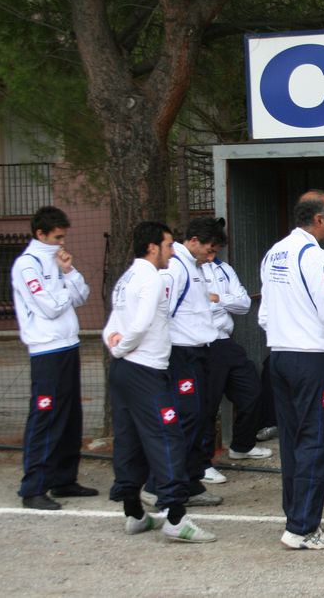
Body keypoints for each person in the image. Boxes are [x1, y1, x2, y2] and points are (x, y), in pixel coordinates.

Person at [104, 221, 216, 542]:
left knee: (129, 439)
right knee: (167, 437)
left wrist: (117, 348)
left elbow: (112, 324)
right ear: (152, 247)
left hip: (124, 370)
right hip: (146, 372)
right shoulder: (151, 278)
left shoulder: (127, 277)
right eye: (168, 246)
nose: (172, 252)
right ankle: (175, 518)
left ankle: (134, 513)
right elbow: (139, 326)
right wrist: (124, 347)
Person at [259, 191, 324, 550]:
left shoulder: (274, 252)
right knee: (317, 440)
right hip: (313, 361)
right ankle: (303, 528)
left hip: (280, 356)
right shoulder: (317, 257)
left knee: (293, 441)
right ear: (318, 219)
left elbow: (264, 315)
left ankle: (295, 517)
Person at [11, 206, 95, 510]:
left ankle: (64, 479)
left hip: (68, 344)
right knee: (46, 416)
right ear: (41, 234)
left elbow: (82, 295)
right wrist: (64, 295)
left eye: (63, 237)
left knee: (70, 415)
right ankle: (33, 487)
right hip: (46, 350)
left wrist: (69, 272)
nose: (62, 243)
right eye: (57, 237)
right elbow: (48, 307)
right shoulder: (27, 265)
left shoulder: (59, 260)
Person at [142, 217, 226, 509]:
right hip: (181, 354)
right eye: (209, 250)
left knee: (199, 418)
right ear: (193, 241)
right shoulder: (175, 267)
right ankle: (158, 484)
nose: (211, 257)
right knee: (185, 419)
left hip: (199, 351)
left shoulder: (195, 266)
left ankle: (189, 482)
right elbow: (161, 311)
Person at [198, 225, 273, 486]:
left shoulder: (224, 269)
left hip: (226, 341)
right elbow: (196, 306)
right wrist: (221, 301)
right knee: (207, 405)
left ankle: (242, 445)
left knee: (252, 391)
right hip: (203, 343)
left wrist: (217, 298)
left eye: (216, 251)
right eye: (209, 250)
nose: (211, 256)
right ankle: (202, 463)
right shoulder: (186, 269)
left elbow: (243, 304)